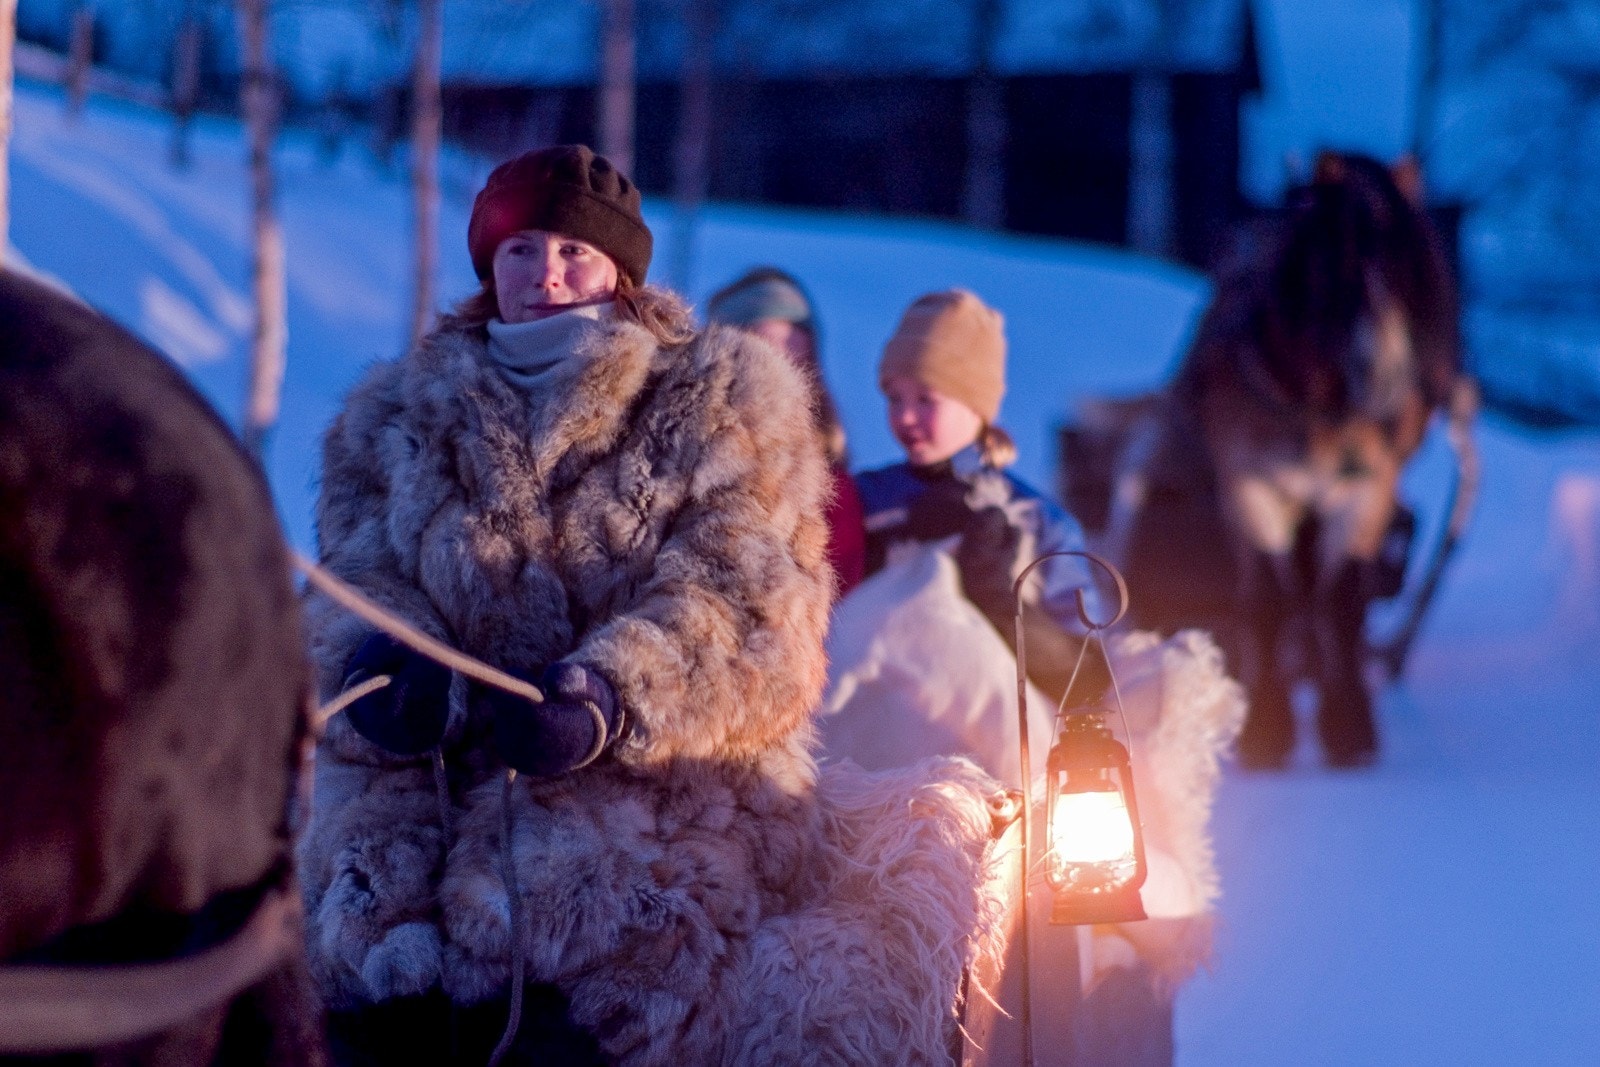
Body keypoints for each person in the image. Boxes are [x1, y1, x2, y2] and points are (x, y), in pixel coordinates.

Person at [297, 145, 835, 1063]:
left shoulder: (722, 401)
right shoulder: (391, 418)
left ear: (619, 270)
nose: (545, 274)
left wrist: (612, 694)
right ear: (489, 265)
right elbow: (356, 581)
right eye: (520, 250)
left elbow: (750, 606)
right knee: (363, 983)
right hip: (431, 784)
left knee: (582, 999)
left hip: (652, 794)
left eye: (573, 252)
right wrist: (382, 666)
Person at [853, 288, 1109, 705]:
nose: (906, 416)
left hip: (989, 729)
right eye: (894, 398)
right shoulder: (866, 500)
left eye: (926, 399)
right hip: (868, 722)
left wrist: (998, 597)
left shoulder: (1036, 520)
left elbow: (1088, 677)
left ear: (976, 405)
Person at [705, 267, 867, 597]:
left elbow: (846, 592)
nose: (785, 378)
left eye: (798, 360)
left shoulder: (831, 486)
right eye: (769, 354)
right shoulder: (682, 458)